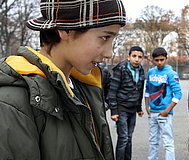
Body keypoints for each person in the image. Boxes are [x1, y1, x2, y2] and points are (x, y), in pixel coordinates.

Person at [0, 0, 126, 159]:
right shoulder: (12, 101)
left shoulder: (86, 86)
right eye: (105, 37)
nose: (109, 53)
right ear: (65, 30)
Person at [108, 46, 145, 160]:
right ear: (128, 57)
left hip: (132, 109)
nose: (137, 59)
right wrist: (114, 111)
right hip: (121, 108)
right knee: (123, 138)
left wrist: (139, 108)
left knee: (129, 138)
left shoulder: (141, 70)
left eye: (139, 57)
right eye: (134, 56)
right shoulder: (121, 69)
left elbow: (140, 90)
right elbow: (112, 91)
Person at [145, 47, 182, 160]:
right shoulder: (151, 72)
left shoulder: (171, 73)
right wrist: (147, 106)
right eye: (156, 60)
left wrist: (167, 110)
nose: (159, 62)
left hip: (165, 114)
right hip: (152, 113)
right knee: (153, 141)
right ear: (153, 60)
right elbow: (147, 90)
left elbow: (178, 94)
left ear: (166, 59)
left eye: (162, 59)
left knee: (168, 142)